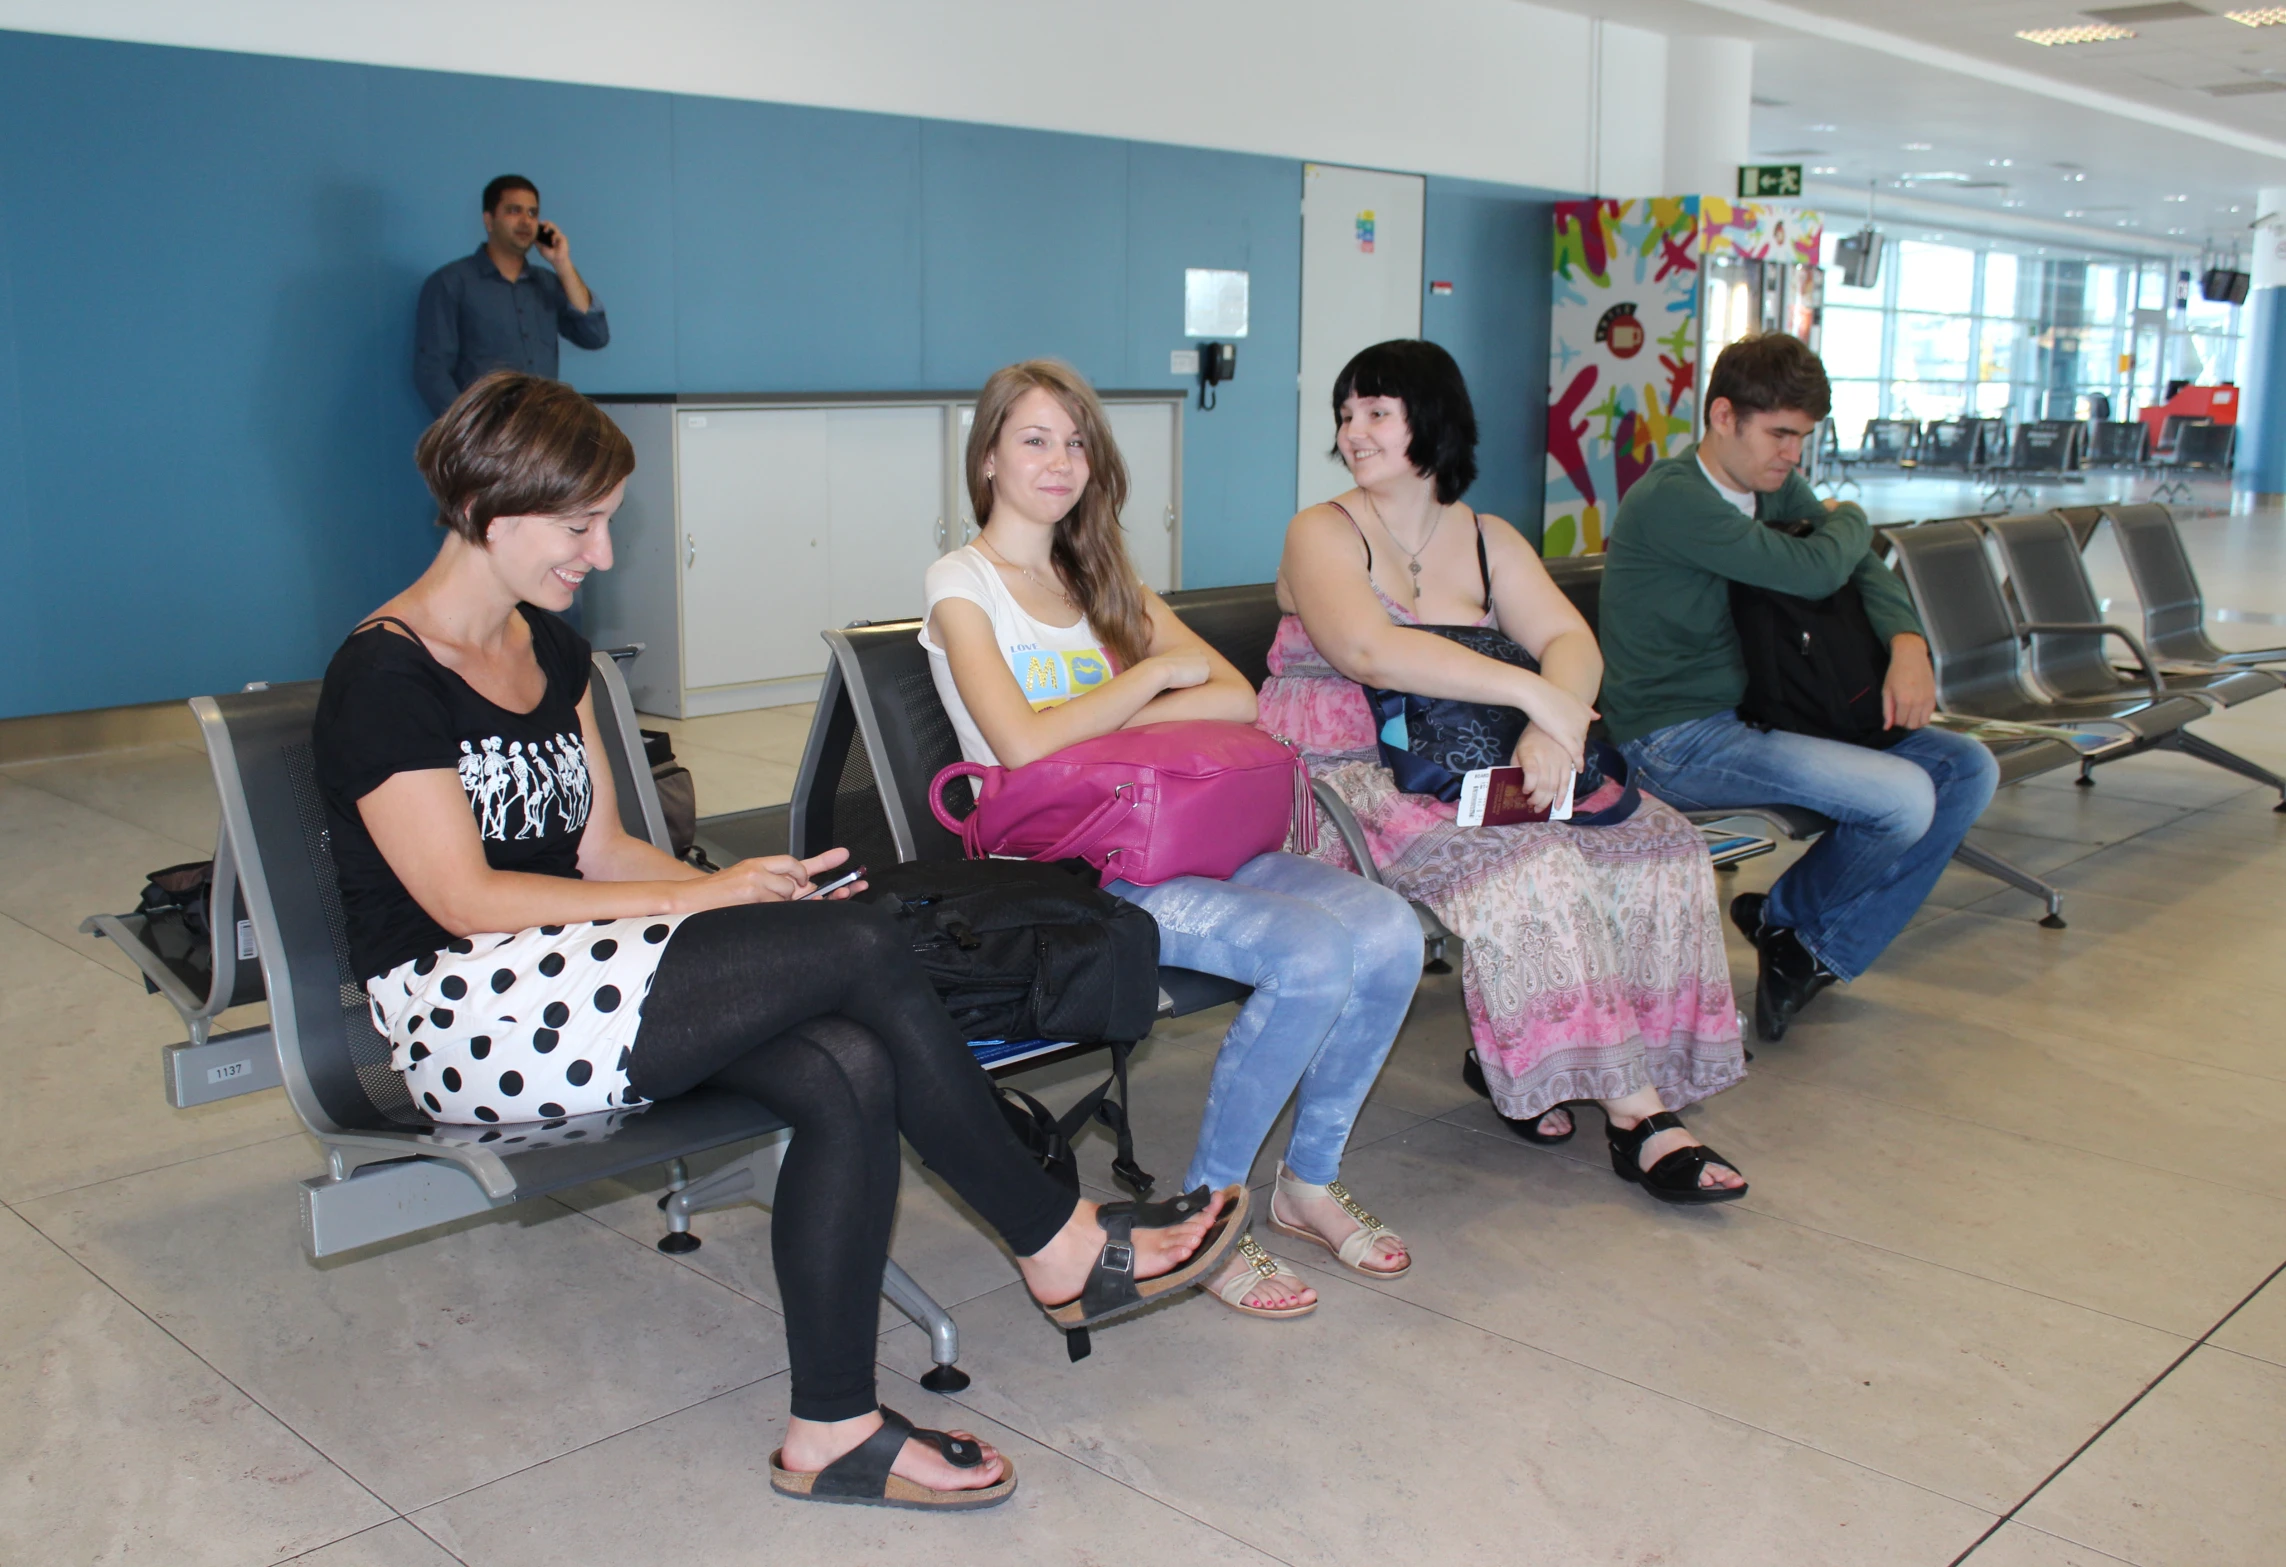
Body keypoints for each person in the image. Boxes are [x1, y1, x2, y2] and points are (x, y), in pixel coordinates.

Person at [312, 371, 1241, 1511]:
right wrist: (701, 908)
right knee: (855, 949)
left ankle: (830, 1427)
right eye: (582, 525)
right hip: (468, 1013)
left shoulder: (546, 653)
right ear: (491, 510)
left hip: (586, 976)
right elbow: (460, 898)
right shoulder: (384, 675)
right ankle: (1055, 1241)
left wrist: (738, 884)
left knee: (846, 1063)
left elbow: (601, 851)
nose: (601, 556)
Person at [924, 360, 1428, 1317]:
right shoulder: (962, 583)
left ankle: (1306, 1182)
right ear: (987, 457)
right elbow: (1018, 743)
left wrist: (1116, 709)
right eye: (1034, 439)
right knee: (1314, 955)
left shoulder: (1103, 571)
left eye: (1076, 441)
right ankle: (1207, 1219)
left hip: (1180, 835)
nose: (1061, 460)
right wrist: (1150, 684)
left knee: (1392, 931)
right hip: (1077, 867)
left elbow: (1236, 695)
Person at [1267, 339, 1749, 1206]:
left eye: (1378, 411)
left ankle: (1554, 1065)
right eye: (1346, 415)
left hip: (1471, 762)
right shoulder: (1320, 530)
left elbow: (1572, 641)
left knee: (1660, 845)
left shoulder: (1488, 537)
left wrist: (1547, 730)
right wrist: (1532, 693)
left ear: (1433, 419)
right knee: (1531, 867)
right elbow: (1367, 649)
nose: (1355, 432)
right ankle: (1637, 1116)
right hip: (1349, 778)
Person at [1600, 333, 1998, 1040]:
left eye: (1804, 437)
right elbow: (1817, 567)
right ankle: (1796, 928)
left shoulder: (1774, 485)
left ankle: (1800, 937)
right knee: (1903, 798)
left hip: (1766, 714)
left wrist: (1907, 641)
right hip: (1675, 738)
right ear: (1723, 416)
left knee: (1965, 767)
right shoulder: (1670, 500)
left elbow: (1858, 572)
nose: (1793, 455)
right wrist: (1853, 517)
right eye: (1780, 434)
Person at [413, 176, 610, 417]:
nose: (526, 222)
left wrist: (563, 264)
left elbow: (595, 336)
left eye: (532, 213)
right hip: (483, 436)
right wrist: (469, 431)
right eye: (514, 211)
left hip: (540, 431)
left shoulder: (546, 283)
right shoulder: (451, 283)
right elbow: (432, 371)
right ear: (489, 220)